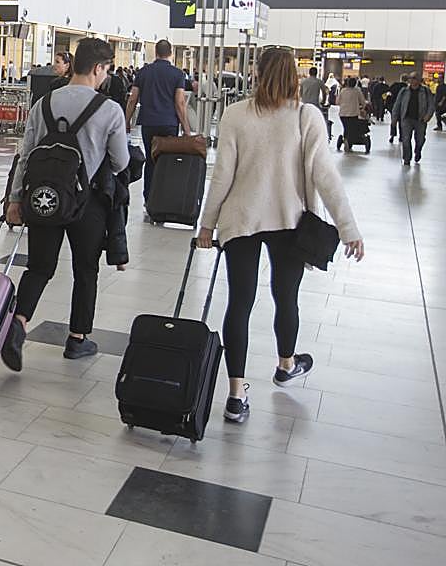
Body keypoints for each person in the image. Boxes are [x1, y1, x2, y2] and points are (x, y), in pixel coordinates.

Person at [197, 47, 362, 424]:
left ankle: (236, 395)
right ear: (295, 76)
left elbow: (222, 175)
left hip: (241, 220)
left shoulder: (236, 114)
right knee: (286, 298)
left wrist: (207, 225)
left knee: (239, 302)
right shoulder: (307, 118)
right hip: (290, 223)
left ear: (256, 73)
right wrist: (348, 229)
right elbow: (326, 178)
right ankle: (286, 364)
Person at [1, 37, 129, 368]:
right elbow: (119, 162)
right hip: (88, 204)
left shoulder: (42, 104)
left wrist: (15, 199)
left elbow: (26, 156)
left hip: (45, 197)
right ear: (99, 68)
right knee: (85, 270)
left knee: (40, 267)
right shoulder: (110, 110)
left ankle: (18, 324)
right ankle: (77, 340)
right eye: (106, 70)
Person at [124, 39, 191, 206]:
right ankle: (164, 199)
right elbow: (180, 103)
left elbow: (133, 99)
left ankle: (149, 200)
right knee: (167, 162)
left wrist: (126, 121)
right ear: (171, 53)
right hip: (169, 123)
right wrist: (186, 128)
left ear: (156, 52)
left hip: (148, 123)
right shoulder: (178, 74)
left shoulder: (144, 72)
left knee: (151, 160)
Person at [393, 74, 433, 165]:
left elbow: (431, 105)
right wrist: (394, 118)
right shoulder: (404, 91)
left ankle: (418, 150)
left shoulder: (426, 91)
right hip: (406, 118)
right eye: (410, 78)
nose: (412, 80)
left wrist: (428, 116)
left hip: (421, 120)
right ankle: (407, 158)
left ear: (419, 80)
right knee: (405, 139)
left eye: (414, 78)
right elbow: (397, 104)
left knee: (420, 139)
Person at [335, 77, 367, 152]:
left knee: (346, 128)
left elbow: (337, 102)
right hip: (353, 114)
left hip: (343, 114)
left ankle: (346, 140)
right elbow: (363, 102)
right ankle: (348, 141)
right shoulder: (357, 91)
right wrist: (363, 107)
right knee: (351, 128)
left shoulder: (343, 91)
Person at [387, 75, 408, 142]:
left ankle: (392, 136)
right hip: (403, 107)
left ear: (400, 78)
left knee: (393, 121)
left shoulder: (395, 85)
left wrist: (388, 105)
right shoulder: (407, 88)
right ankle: (401, 137)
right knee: (402, 122)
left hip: (394, 106)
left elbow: (389, 94)